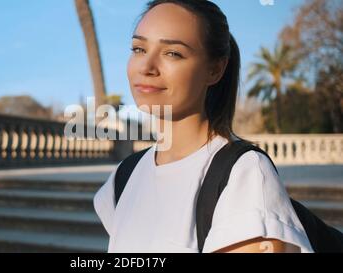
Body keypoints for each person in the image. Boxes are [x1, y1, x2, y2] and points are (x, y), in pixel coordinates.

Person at [93, 0, 313, 253]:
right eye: (139, 48)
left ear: (215, 69)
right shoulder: (124, 177)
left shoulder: (245, 177)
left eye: (172, 53)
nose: (146, 67)